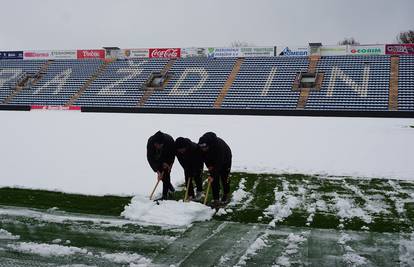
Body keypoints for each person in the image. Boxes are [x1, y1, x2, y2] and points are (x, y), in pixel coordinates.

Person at [198, 132, 232, 207]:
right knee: (214, 180)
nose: (203, 149)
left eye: (205, 147)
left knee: (224, 176)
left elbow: (219, 163)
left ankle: (226, 194)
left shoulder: (218, 146)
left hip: (225, 158)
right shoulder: (201, 147)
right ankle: (216, 199)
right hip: (212, 160)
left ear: (209, 145)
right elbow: (203, 157)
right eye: (202, 147)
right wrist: (209, 166)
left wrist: (212, 174)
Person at [147, 131, 175, 200]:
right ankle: (169, 185)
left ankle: (165, 195)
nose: (159, 146)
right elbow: (150, 158)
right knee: (162, 175)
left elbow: (172, 155)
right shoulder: (150, 142)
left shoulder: (169, 141)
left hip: (167, 157)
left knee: (166, 173)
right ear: (154, 143)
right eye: (157, 145)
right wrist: (157, 171)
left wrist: (169, 165)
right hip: (157, 158)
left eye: (160, 145)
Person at [175, 137, 204, 201]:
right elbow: (181, 161)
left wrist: (194, 170)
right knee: (187, 178)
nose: (181, 151)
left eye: (182, 149)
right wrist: (186, 168)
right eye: (179, 150)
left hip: (197, 162)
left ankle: (199, 191)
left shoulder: (194, 148)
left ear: (185, 146)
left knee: (197, 176)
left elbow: (198, 161)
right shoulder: (177, 150)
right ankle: (190, 195)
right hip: (186, 163)